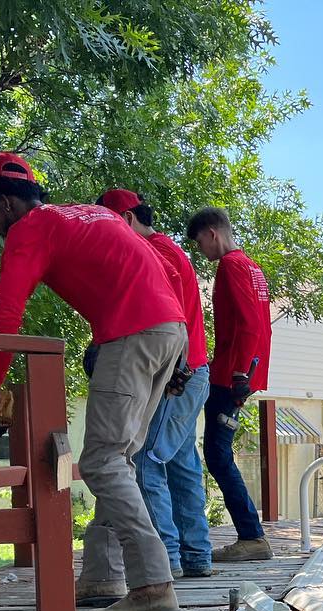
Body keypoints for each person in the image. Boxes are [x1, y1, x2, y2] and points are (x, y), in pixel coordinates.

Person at [0, 151, 185, 611]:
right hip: (169, 331)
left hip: (133, 333)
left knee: (102, 461)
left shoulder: (30, 230)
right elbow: (156, 272)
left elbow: (6, 317)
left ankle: (152, 586)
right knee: (120, 460)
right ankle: (102, 576)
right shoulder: (92, 214)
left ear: (6, 203)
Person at [97, 189, 214, 578]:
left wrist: (171, 372)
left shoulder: (156, 253)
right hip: (191, 369)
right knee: (181, 464)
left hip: (176, 375)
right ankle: (196, 556)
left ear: (127, 220)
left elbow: (170, 317)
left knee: (146, 462)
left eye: (110, 227)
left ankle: (165, 564)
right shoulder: (169, 250)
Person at [187, 206, 273, 562]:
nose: (202, 253)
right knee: (220, 454)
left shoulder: (231, 265)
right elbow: (259, 325)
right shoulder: (253, 267)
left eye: (199, 244)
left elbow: (251, 324)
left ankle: (251, 537)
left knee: (218, 455)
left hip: (231, 377)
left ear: (212, 233)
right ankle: (251, 534)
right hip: (240, 372)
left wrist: (240, 373)